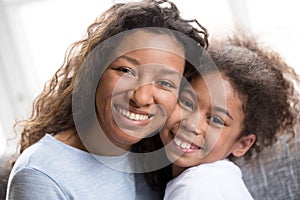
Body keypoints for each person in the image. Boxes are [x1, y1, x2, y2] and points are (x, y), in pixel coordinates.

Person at [5, 0, 209, 199]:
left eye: (165, 83)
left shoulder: (164, 158)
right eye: (126, 71)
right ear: (95, 72)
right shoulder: (41, 174)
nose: (141, 97)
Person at [140, 34, 300, 199]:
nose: (191, 124)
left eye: (216, 120)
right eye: (187, 103)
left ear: (242, 144)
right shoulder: (221, 179)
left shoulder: (195, 187)